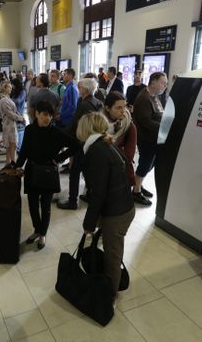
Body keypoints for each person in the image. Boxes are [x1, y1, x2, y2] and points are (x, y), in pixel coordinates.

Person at [77, 111, 135, 297]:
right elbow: (125, 166)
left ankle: (109, 297)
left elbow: (98, 193)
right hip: (124, 206)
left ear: (85, 129)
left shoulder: (96, 152)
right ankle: (108, 288)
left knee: (113, 256)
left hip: (116, 213)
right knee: (113, 251)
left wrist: (89, 224)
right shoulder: (107, 144)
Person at [16, 100, 79, 249]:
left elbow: (76, 145)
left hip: (48, 173)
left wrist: (58, 159)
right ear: (36, 114)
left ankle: (42, 234)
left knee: (45, 206)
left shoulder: (56, 132)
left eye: (50, 115)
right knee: (32, 205)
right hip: (32, 170)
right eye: (44, 114)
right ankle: (37, 230)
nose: (48, 118)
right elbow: (24, 151)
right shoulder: (30, 130)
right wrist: (17, 166)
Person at [57, 78, 103, 210]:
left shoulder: (84, 104)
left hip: (82, 142)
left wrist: (62, 137)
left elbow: (76, 124)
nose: (79, 90)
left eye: (81, 87)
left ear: (86, 90)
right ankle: (90, 194)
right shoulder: (98, 102)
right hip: (94, 142)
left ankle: (72, 201)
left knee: (75, 171)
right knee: (88, 171)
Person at [131, 72, 168, 206]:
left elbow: (159, 114)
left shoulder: (155, 96)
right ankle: (135, 191)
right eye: (163, 82)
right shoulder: (143, 98)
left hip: (155, 138)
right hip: (146, 138)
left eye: (166, 83)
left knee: (149, 164)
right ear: (153, 82)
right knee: (146, 163)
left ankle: (138, 184)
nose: (165, 85)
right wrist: (165, 127)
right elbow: (146, 121)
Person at [103, 92, 137, 187]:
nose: (123, 111)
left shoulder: (129, 126)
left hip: (120, 173)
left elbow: (128, 157)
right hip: (100, 171)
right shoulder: (98, 124)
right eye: (118, 108)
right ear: (107, 108)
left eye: (124, 106)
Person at [0, 81, 26, 164]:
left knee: (10, 147)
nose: (11, 89)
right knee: (12, 146)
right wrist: (20, 118)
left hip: (11, 124)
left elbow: (14, 111)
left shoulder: (7, 98)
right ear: (5, 88)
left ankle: (9, 164)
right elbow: (9, 113)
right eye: (9, 87)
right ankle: (13, 164)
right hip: (9, 125)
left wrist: (20, 117)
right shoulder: (3, 100)